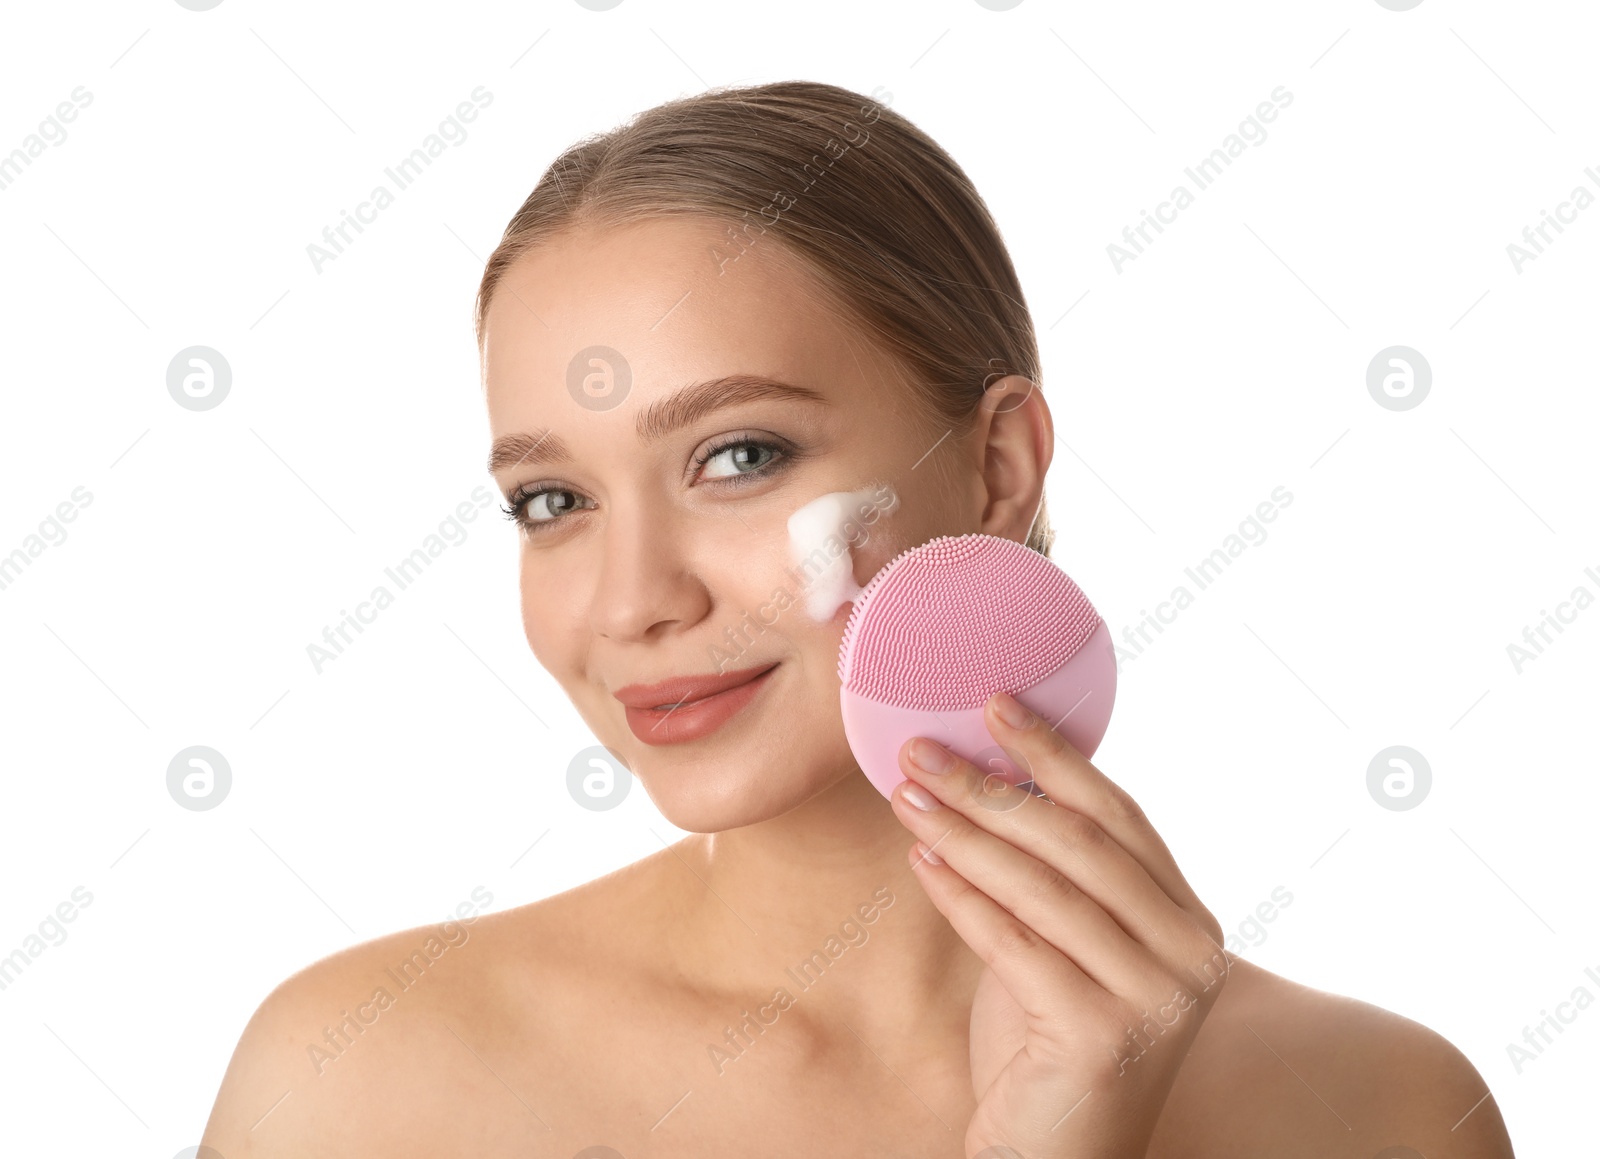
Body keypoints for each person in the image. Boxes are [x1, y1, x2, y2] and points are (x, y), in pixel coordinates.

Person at [201, 80, 1514, 1158]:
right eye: (551, 499)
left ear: (999, 464)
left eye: (738, 457)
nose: (632, 601)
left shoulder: (1381, 1114)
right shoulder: (358, 1085)